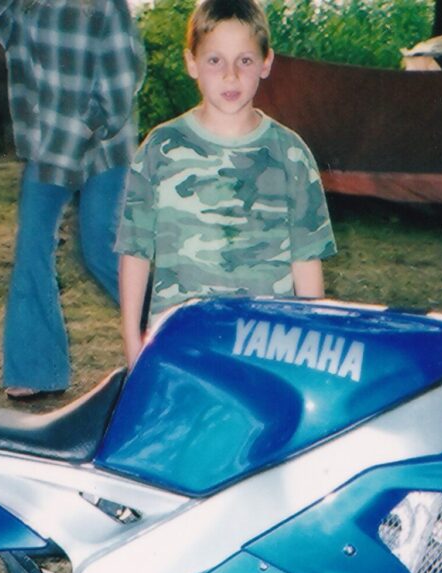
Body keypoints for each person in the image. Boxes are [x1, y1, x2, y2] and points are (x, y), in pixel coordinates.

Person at [115, 0, 334, 365]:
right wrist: (132, 344)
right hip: (178, 349)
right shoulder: (160, 148)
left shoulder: (291, 154)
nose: (230, 76)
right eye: (215, 60)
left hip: (266, 351)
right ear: (192, 63)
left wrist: (310, 348)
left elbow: (306, 262)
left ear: (266, 63)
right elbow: (134, 254)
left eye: (244, 60)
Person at [0, 0, 145, 400]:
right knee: (31, 247)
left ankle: (173, 327)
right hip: (48, 152)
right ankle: (37, 370)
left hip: (103, 151)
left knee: (100, 248)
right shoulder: (22, 8)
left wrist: (83, 128)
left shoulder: (105, 7)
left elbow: (123, 82)